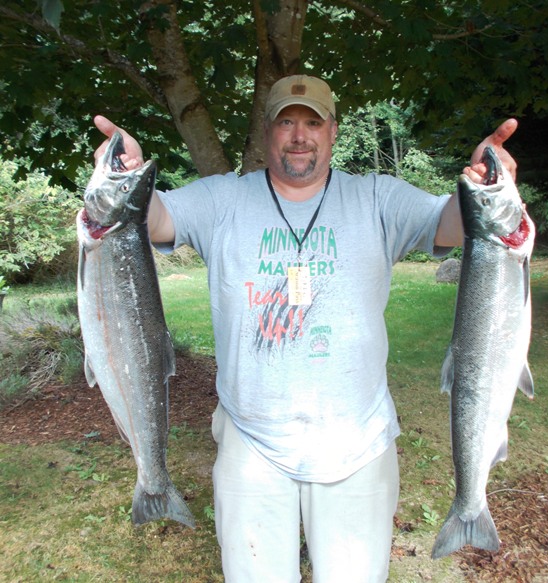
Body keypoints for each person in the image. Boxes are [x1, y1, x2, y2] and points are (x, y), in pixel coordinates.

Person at [93, 75, 518, 583]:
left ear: (333, 131)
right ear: (266, 132)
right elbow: (151, 219)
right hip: (250, 442)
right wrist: (129, 176)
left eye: (312, 122)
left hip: (357, 442)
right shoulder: (222, 199)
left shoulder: (378, 198)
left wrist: (483, 187)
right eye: (286, 121)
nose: (300, 135)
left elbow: (456, 224)